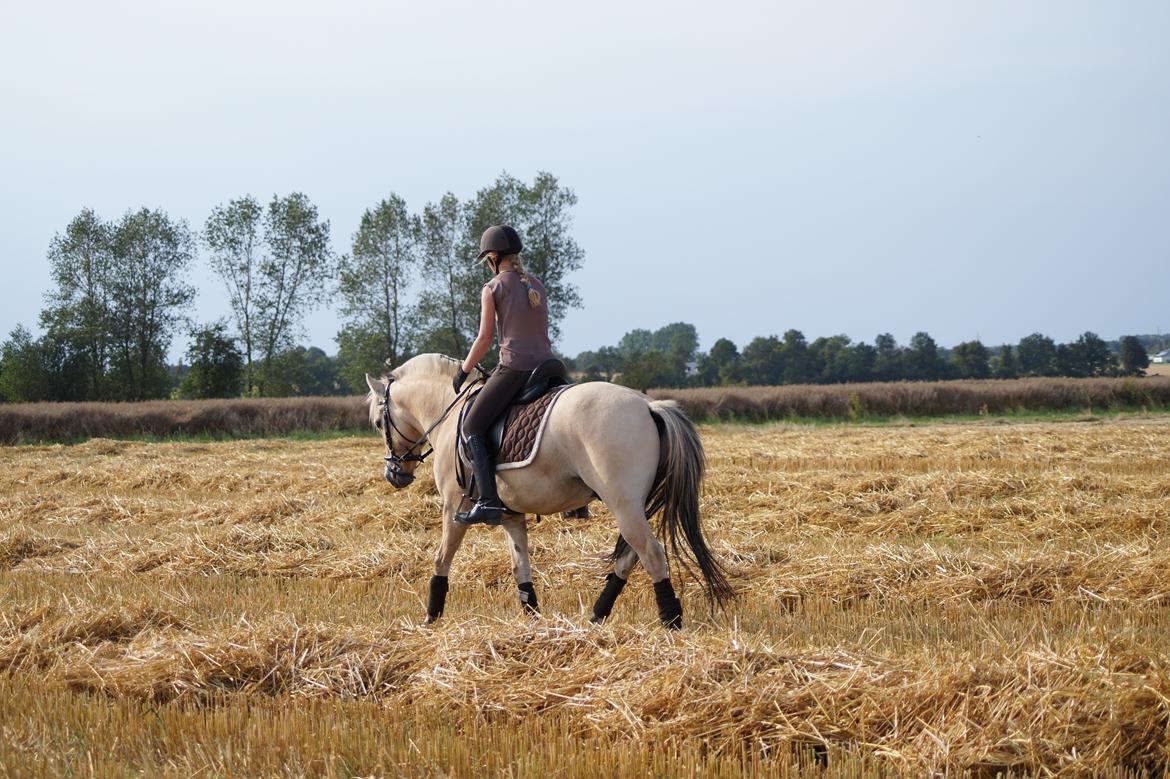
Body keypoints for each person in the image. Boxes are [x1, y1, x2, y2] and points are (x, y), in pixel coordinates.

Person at [452, 224, 554, 524]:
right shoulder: (537, 286)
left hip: (516, 368)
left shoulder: (493, 288)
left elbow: (484, 338)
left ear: (494, 257)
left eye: (487, 259)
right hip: (548, 366)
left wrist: (463, 370)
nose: (488, 264)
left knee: (472, 426)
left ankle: (488, 501)